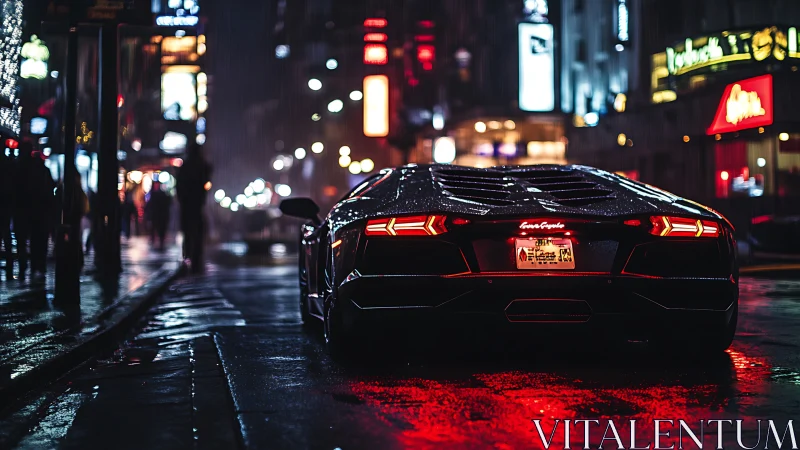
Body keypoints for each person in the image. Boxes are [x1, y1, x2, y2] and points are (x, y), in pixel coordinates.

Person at [176, 143, 212, 273]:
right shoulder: (201, 166)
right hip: (194, 204)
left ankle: (189, 256)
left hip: (188, 204)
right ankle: (194, 257)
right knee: (196, 231)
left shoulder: (186, 167)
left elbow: (179, 186)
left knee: (188, 231)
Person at [28, 152, 56, 279]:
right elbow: (52, 187)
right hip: (44, 212)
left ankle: (34, 265)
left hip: (34, 211)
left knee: (34, 240)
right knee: (42, 240)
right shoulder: (45, 172)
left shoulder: (31, 172)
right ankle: (40, 265)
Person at [12, 143, 34, 280]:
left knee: (20, 237)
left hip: (18, 206)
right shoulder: (35, 167)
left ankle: (22, 262)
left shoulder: (16, 165)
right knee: (28, 237)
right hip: (31, 206)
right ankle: (28, 263)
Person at [0, 150, 13, 280]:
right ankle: (10, 263)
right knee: (6, 234)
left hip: (5, 205)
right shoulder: (10, 166)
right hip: (8, 205)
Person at [146, 182, 171, 251]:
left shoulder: (153, 195)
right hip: (161, 215)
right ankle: (160, 242)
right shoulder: (164, 194)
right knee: (161, 230)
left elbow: (149, 206)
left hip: (156, 215)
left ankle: (156, 241)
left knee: (156, 228)